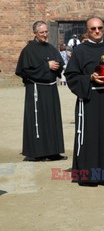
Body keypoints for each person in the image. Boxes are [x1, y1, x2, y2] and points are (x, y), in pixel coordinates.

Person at [64, 17, 104, 186]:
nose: (97, 31)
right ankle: (91, 175)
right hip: (90, 100)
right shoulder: (80, 51)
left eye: (100, 28)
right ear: (88, 30)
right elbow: (71, 76)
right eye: (93, 29)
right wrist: (89, 78)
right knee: (91, 137)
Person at [15, 21, 66, 161]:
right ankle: (40, 153)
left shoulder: (50, 47)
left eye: (46, 32)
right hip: (36, 90)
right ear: (35, 33)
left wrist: (57, 65)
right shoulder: (28, 50)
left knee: (52, 119)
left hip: (51, 89)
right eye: (41, 32)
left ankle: (54, 151)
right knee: (39, 120)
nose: (44, 35)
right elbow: (24, 71)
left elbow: (60, 63)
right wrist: (46, 65)